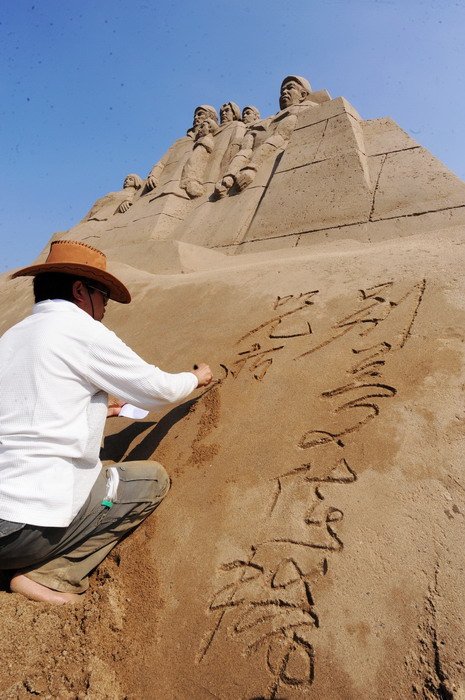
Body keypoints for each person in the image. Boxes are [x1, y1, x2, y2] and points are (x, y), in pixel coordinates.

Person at [0, 240, 212, 604]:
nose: (104, 309)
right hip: (23, 530)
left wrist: (97, 408)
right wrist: (196, 378)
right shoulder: (79, 330)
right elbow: (156, 390)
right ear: (80, 290)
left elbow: (27, 410)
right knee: (150, 481)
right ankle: (51, 576)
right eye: (104, 297)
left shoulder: (12, 337)